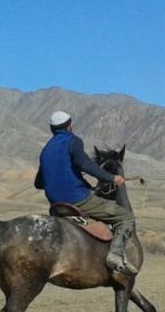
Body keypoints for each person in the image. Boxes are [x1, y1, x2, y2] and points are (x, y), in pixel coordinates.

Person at [34, 111, 138, 277]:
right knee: (125, 217)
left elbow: (38, 183)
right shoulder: (73, 141)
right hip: (78, 199)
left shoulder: (45, 150)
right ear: (70, 126)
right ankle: (115, 254)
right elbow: (85, 165)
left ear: (52, 129)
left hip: (56, 205)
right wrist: (112, 178)